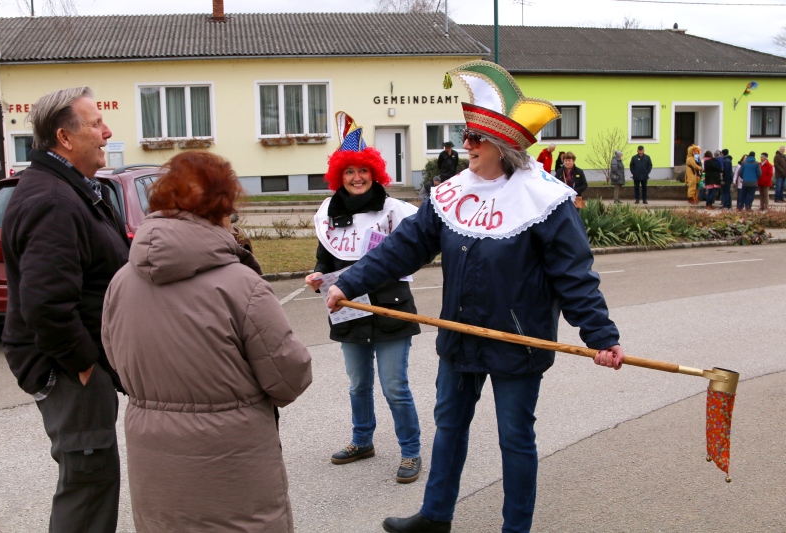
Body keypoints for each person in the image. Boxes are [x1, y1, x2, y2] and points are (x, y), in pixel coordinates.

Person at [326, 61, 624, 533]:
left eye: (475, 138)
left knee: (515, 438)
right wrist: (349, 282)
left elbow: (574, 276)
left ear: (503, 146)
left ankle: (515, 528)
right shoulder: (451, 193)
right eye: (465, 136)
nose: (466, 145)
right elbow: (404, 247)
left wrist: (601, 336)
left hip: (518, 342)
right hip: (460, 337)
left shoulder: (546, 200)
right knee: (449, 427)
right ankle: (435, 516)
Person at [101, 151, 313, 531]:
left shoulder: (120, 281)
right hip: (232, 464)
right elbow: (289, 376)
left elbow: (115, 357)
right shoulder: (241, 285)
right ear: (221, 208)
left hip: (155, 466)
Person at [0, 86, 130, 532]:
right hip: (70, 370)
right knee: (87, 490)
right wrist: (84, 366)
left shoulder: (70, 190)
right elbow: (46, 305)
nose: (107, 132)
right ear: (65, 137)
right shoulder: (53, 200)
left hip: (79, 367)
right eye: (96, 123)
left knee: (92, 484)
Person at [304, 112, 423, 484]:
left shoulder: (394, 211)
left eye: (363, 171)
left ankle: (411, 451)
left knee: (395, 387)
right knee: (358, 384)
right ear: (339, 176)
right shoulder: (329, 212)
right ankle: (362, 441)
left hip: (391, 308)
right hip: (348, 311)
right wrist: (317, 275)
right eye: (349, 171)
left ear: (375, 173)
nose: (357, 177)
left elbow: (414, 251)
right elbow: (325, 258)